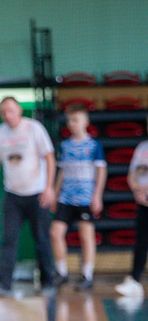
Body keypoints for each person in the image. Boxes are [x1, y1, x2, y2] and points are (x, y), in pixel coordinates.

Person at [0, 97, 61, 297]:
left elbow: (49, 158)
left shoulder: (34, 128)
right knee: (8, 239)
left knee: (42, 239)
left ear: (18, 110)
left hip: (37, 193)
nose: (7, 115)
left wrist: (49, 188)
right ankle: (4, 284)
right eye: (3, 112)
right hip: (13, 195)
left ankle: (48, 282)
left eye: (10, 110)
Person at [50, 104, 107, 291]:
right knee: (55, 233)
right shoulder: (65, 146)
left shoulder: (94, 145)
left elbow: (101, 170)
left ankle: (87, 274)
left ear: (85, 122)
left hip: (85, 198)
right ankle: (62, 272)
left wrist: (97, 196)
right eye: (69, 121)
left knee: (86, 235)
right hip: (66, 197)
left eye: (76, 120)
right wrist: (55, 194)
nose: (72, 124)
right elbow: (62, 172)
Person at [115, 127, 148, 298]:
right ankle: (134, 281)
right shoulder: (142, 147)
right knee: (141, 243)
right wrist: (138, 191)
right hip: (143, 202)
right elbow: (133, 173)